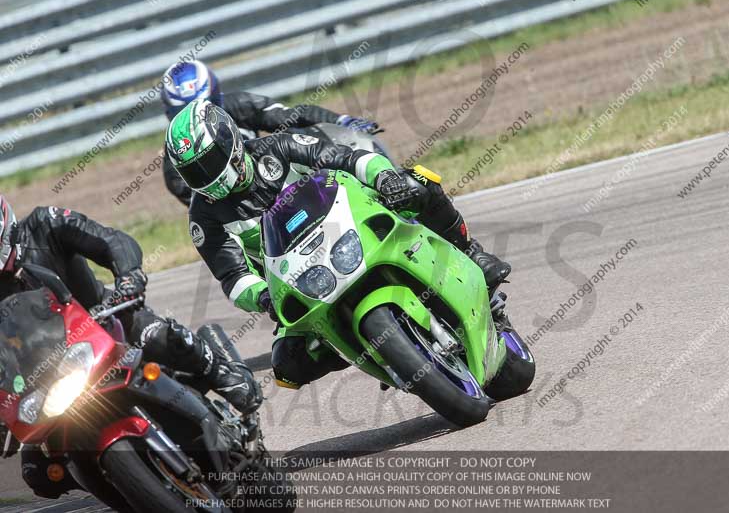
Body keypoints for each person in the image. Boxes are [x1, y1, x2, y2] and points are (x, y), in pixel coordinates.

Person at [165, 99, 512, 389]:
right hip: (298, 280)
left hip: (351, 227)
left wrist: (384, 176)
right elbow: (233, 277)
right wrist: (263, 296)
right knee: (289, 366)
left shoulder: (278, 147)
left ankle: (470, 252)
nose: (206, 175)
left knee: (417, 181)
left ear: (230, 143)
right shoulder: (204, 218)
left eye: (209, 162)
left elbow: (345, 157)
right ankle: (381, 352)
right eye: (195, 171)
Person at [0, 196, 261, 499]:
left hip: (109, 324)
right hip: (45, 382)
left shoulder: (46, 224)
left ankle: (225, 371)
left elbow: (112, 241)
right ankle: (128, 488)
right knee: (39, 472)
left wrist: (129, 278)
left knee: (160, 337)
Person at [159, 60, 379, 206]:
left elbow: (289, 116)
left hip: (272, 176)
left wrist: (341, 121)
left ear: (216, 98)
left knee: (300, 133)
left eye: (204, 106)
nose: (197, 118)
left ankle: (368, 187)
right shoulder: (177, 154)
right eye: (184, 112)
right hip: (238, 207)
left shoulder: (239, 105)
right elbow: (194, 202)